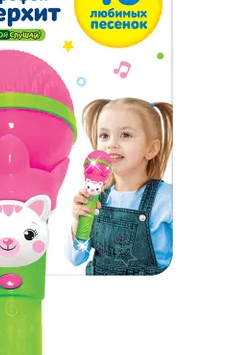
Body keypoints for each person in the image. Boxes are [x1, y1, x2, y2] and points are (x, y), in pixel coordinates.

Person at [66, 98, 173, 275]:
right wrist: (79, 222)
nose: (111, 144)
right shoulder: (96, 197)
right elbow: (76, 258)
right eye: (104, 135)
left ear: (151, 149)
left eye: (126, 135)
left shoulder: (167, 198)